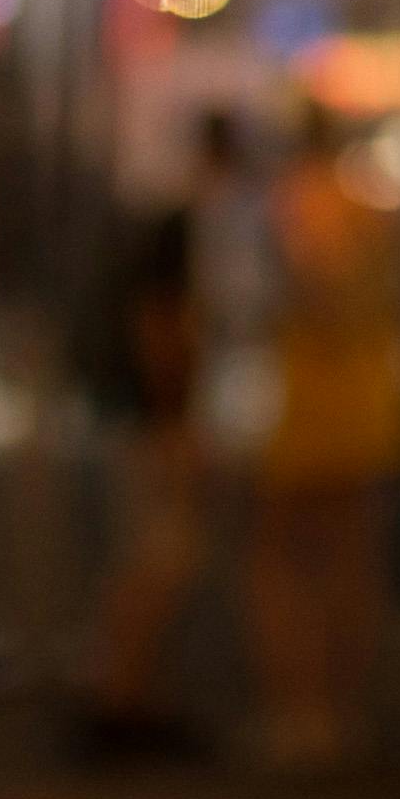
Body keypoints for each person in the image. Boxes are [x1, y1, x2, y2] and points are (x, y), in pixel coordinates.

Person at [250, 93, 400, 767]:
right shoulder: (368, 203)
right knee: (351, 549)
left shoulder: (304, 200)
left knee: (282, 553)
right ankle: (341, 708)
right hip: (366, 388)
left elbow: (322, 284)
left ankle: (302, 711)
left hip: (316, 389)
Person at [68, 108, 242, 758]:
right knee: (159, 559)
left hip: (153, 416)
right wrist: (177, 420)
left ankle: (133, 694)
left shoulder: (180, 224)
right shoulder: (187, 230)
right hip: (159, 420)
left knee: (158, 560)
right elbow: (161, 329)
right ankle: (123, 697)